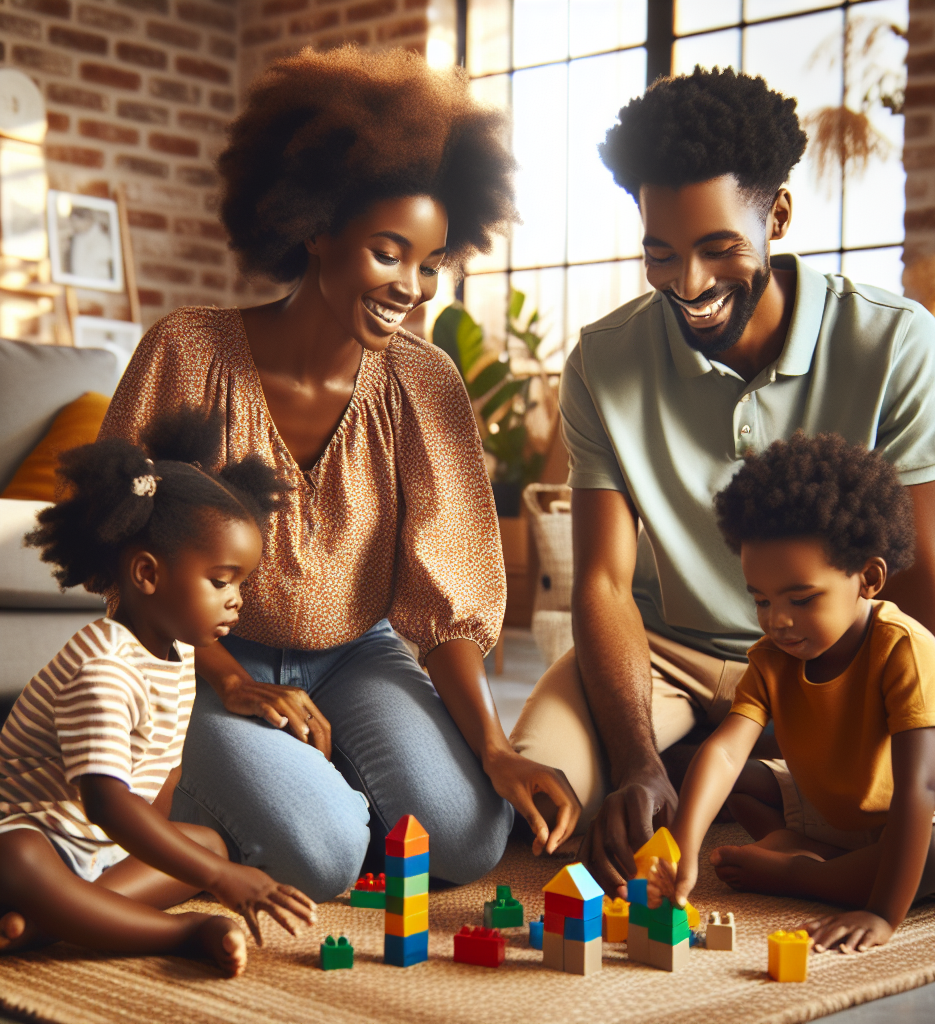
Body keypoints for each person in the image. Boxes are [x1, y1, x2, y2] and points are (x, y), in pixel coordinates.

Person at [509, 66, 935, 895]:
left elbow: (916, 574)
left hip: (833, 650)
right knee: (548, 795)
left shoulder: (897, 344)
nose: (690, 285)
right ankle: (681, 761)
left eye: (720, 249)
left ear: (777, 214)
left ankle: (742, 773)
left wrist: (833, 715)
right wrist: (637, 759)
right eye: (662, 253)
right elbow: (602, 581)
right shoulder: (604, 362)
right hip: (664, 654)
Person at [100, 45, 580, 903]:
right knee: (323, 858)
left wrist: (498, 748)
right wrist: (233, 679)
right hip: (201, 654)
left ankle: (305, 794)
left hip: (356, 654)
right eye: (389, 253)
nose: (413, 288)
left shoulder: (424, 382)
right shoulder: (189, 350)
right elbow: (127, 549)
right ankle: (214, 801)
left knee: (467, 839)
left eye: (431, 264)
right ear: (315, 227)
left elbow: (450, 603)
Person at [646, 433, 935, 953]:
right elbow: (725, 751)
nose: (779, 621)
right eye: (762, 600)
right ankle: (830, 861)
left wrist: (881, 913)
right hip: (840, 811)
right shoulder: (773, 658)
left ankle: (806, 875)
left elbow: (916, 791)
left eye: (801, 598)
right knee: (706, 774)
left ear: (869, 578)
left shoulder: (902, 648)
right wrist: (684, 846)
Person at [0, 409, 315, 976]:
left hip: (97, 854)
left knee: (207, 844)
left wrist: (206, 863)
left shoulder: (178, 653)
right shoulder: (102, 668)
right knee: (15, 857)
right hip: (42, 836)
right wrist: (218, 885)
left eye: (240, 583)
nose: (236, 599)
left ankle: (49, 923)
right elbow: (109, 803)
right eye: (221, 582)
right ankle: (182, 932)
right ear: (147, 574)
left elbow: (159, 778)